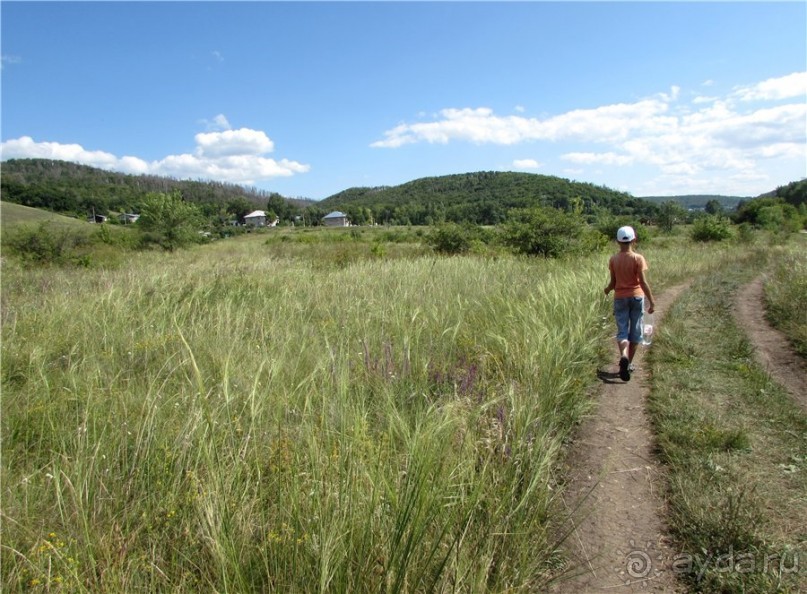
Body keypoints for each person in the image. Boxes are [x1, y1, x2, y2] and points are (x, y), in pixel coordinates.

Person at [603, 225, 655, 382]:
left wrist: (606, 290)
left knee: (622, 331)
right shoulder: (638, 258)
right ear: (634, 240)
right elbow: (643, 282)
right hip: (637, 297)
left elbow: (613, 283)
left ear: (617, 241)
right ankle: (628, 363)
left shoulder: (613, 259)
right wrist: (651, 302)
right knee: (636, 332)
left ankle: (623, 355)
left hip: (620, 298)